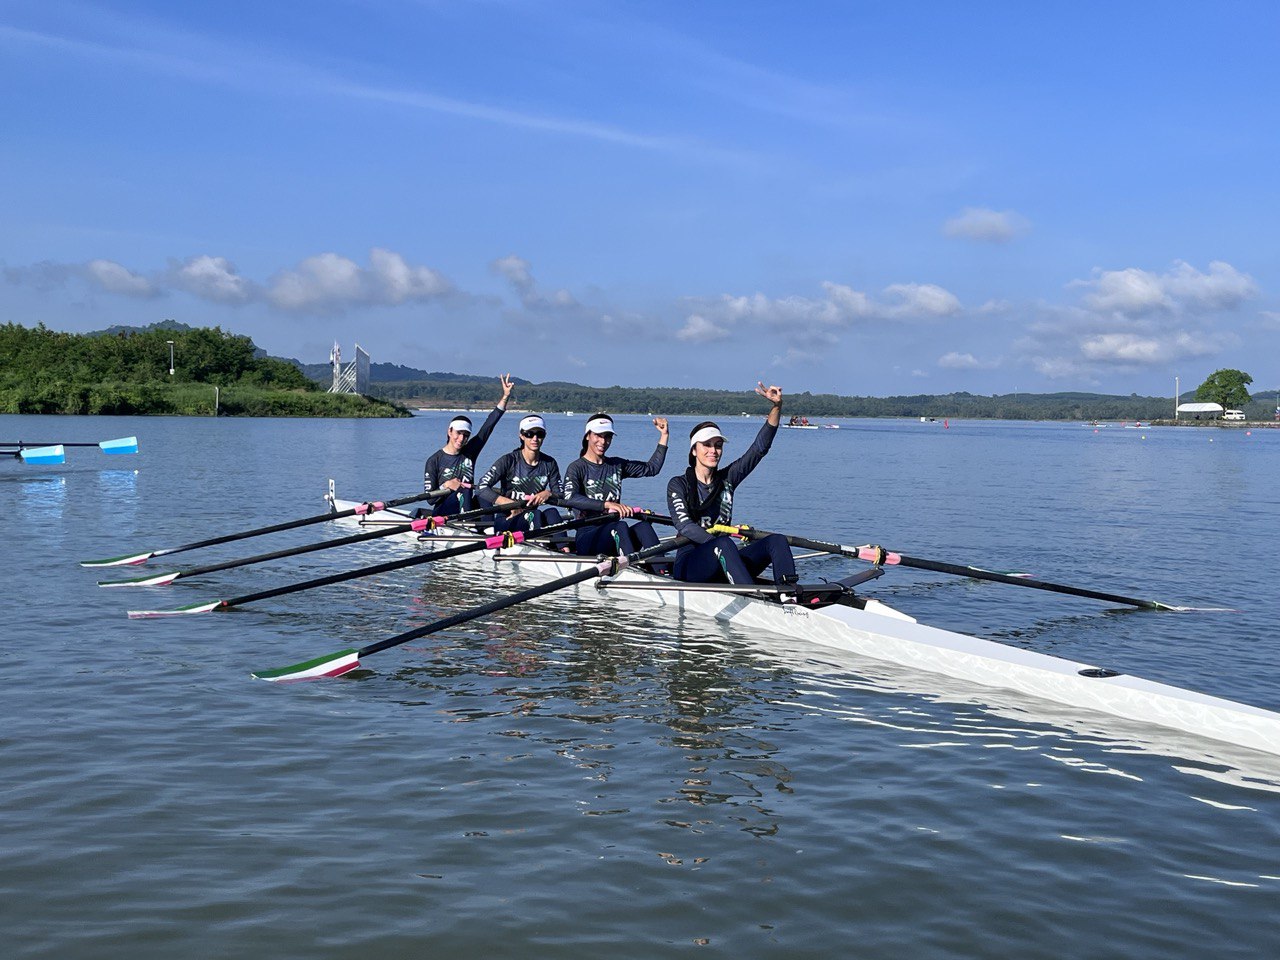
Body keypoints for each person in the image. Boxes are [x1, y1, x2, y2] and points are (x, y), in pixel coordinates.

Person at [666, 383, 796, 587]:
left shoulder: (728, 479)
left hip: (725, 555)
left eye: (718, 446)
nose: (713, 451)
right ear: (694, 451)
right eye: (707, 445)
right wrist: (722, 536)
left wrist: (777, 407)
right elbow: (685, 526)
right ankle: (752, 596)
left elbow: (759, 449)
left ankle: (790, 595)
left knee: (777, 541)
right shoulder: (678, 484)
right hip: (690, 564)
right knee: (724, 544)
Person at [561, 413, 669, 557]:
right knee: (620, 526)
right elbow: (570, 498)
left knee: (644, 527)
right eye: (598, 435)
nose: (603, 441)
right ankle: (631, 570)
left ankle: (660, 570)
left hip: (614, 534)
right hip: (587, 537)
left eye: (607, 436)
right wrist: (608, 505)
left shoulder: (616, 465)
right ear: (588, 436)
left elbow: (651, 468)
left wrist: (664, 435)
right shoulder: (576, 467)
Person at [421, 373, 514, 517]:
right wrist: (445, 486)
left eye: (466, 435)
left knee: (484, 492)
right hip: (443, 511)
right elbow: (430, 500)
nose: (461, 438)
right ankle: (469, 525)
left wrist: (505, 397)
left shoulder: (470, 451)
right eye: (458, 433)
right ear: (449, 431)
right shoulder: (434, 460)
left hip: (466, 505)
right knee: (463, 490)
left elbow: (488, 426)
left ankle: (488, 529)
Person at [476, 414, 565, 535]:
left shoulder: (550, 463)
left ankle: (564, 549)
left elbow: (560, 493)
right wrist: (510, 504)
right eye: (529, 434)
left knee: (552, 512)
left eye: (540, 434)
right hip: (507, 518)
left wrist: (548, 493)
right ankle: (540, 545)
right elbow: (481, 488)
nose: (535, 438)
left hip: (532, 518)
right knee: (535, 514)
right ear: (522, 436)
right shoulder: (508, 460)